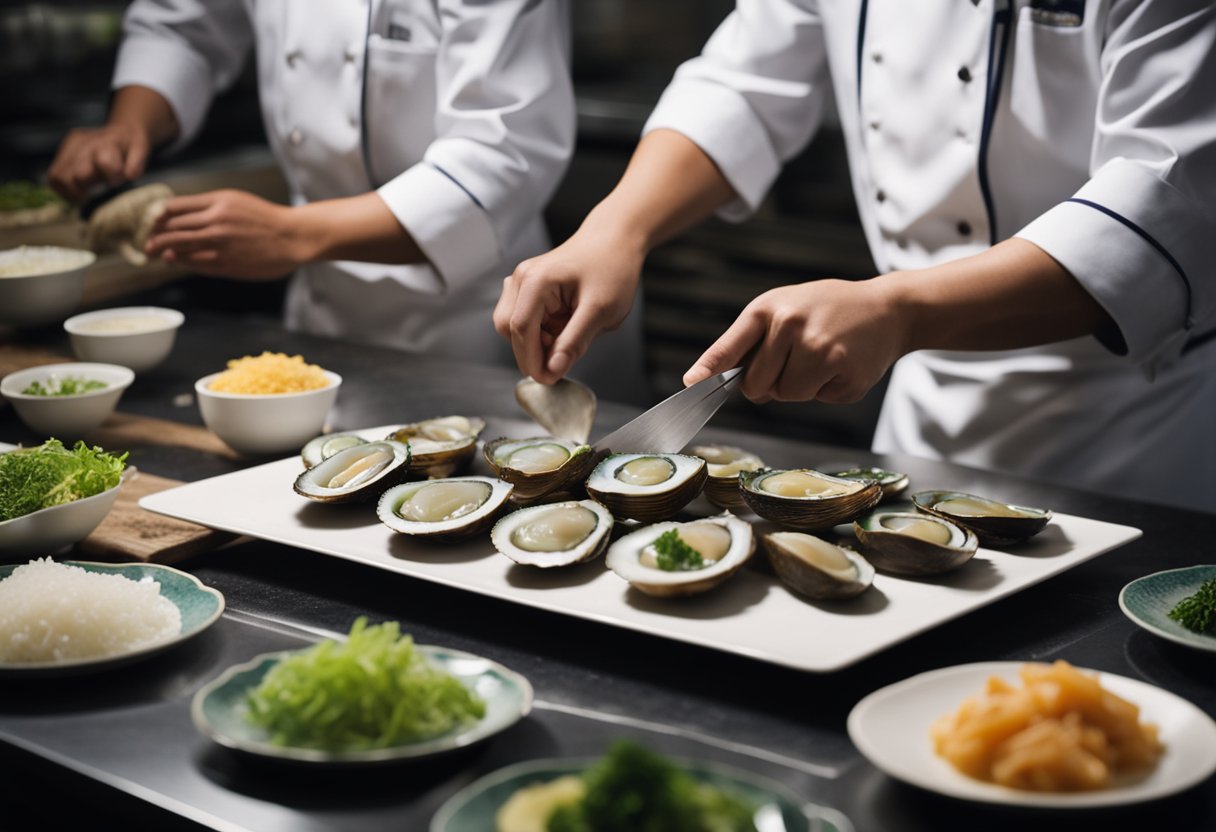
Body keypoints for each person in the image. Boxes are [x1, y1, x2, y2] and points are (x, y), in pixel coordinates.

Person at [494, 0, 1216, 513]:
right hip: (921, 413)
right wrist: (614, 229)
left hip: (1135, 432)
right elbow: (744, 83)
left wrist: (897, 310)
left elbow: (1162, 202)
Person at [47, 0, 647, 402]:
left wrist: (293, 235)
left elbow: (504, 149)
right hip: (323, 318)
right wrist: (128, 122)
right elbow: (184, 21)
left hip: (484, 324)